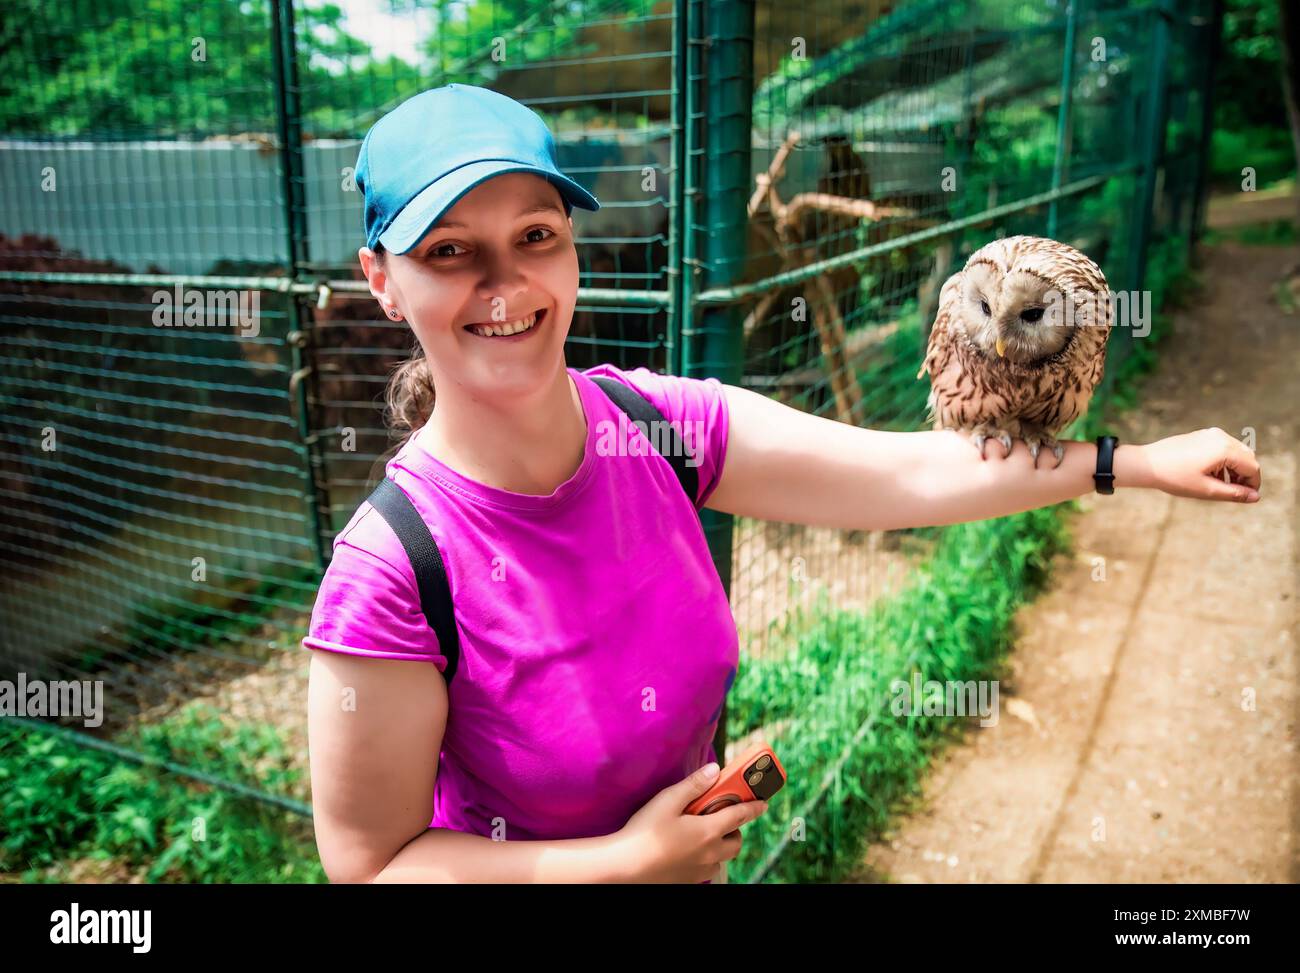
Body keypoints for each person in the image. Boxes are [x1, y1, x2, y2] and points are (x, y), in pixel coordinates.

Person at [303, 83, 1262, 885]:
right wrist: (623, 861)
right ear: (381, 279)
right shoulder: (392, 567)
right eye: (449, 251)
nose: (507, 284)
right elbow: (369, 862)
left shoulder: (656, 426)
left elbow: (899, 475)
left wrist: (1131, 463)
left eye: (537, 234)